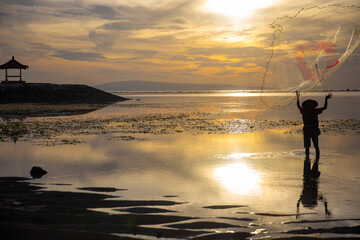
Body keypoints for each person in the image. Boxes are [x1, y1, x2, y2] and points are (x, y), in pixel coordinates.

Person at [296, 91, 332, 162]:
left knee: (316, 146)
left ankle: (316, 159)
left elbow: (324, 107)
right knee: (307, 147)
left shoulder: (315, 111)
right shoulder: (304, 111)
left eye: (311, 104)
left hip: (314, 130)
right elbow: (298, 106)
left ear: (313, 105)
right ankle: (307, 159)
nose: (310, 105)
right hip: (306, 130)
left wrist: (326, 99)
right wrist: (297, 98)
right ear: (306, 105)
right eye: (309, 104)